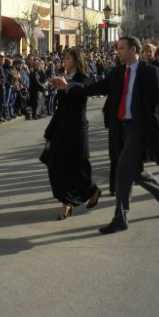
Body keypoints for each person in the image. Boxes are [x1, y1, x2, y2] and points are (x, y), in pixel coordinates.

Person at [51, 36, 159, 234]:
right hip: (120, 128)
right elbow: (96, 88)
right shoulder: (118, 72)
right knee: (135, 172)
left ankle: (121, 218)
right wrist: (69, 86)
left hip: (140, 128)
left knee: (122, 171)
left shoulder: (149, 72)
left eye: (121, 48)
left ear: (133, 49)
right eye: (117, 48)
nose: (117, 52)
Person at [42, 48, 102, 220]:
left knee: (78, 166)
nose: (64, 61)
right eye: (64, 58)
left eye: (67, 58)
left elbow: (83, 91)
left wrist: (67, 86)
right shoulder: (64, 76)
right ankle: (68, 199)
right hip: (60, 127)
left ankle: (77, 198)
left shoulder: (83, 78)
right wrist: (55, 84)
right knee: (54, 164)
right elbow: (61, 106)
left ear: (76, 61)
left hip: (76, 128)